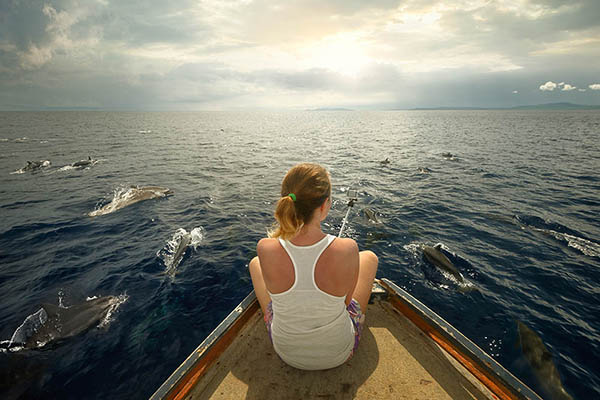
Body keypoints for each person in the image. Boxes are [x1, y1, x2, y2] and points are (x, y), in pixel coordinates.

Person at [249, 163, 378, 370]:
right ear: (324, 205)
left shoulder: (265, 247)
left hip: (286, 352)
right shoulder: (347, 248)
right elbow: (346, 304)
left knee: (255, 263)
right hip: (339, 352)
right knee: (369, 257)